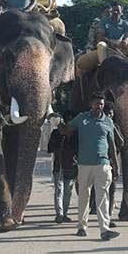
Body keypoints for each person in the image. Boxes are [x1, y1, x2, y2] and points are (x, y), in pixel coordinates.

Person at [57, 92, 120, 240]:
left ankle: (104, 229)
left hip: (103, 165)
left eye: (102, 104)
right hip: (84, 165)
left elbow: (112, 146)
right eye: (97, 104)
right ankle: (81, 226)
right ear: (90, 104)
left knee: (103, 197)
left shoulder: (108, 122)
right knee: (84, 196)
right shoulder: (82, 118)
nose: (99, 107)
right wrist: (57, 121)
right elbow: (65, 130)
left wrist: (116, 167)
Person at [47, 110, 78, 223]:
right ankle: (59, 213)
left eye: (72, 120)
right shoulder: (56, 133)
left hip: (71, 167)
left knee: (68, 191)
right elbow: (50, 147)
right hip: (58, 167)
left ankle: (64, 213)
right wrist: (58, 149)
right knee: (59, 190)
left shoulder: (76, 134)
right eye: (68, 119)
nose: (69, 122)